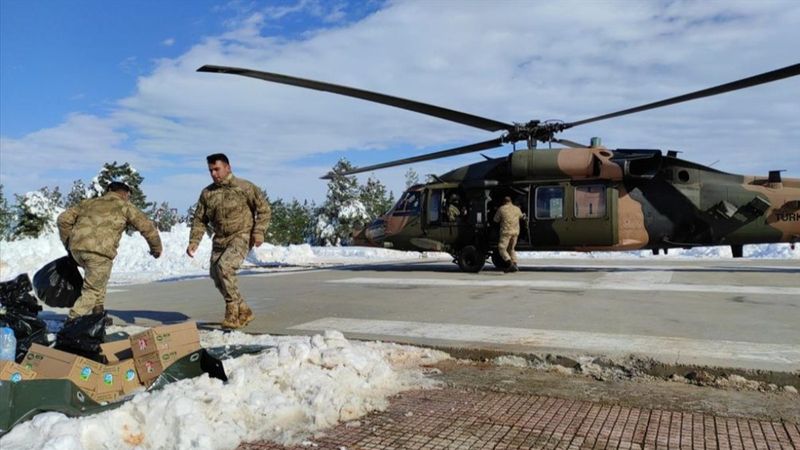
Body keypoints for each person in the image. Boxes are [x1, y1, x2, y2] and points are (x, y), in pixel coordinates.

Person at [186, 153, 271, 329]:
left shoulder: (245, 187)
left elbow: (264, 209)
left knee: (224, 267)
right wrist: (194, 241)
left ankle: (232, 312)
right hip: (220, 239)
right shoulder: (207, 193)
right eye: (211, 170)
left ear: (228, 167)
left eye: (217, 169)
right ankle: (244, 309)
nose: (214, 174)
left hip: (241, 235)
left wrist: (259, 231)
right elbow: (199, 219)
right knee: (215, 274)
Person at [57, 182, 162, 319]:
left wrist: (69, 244)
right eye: (128, 196)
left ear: (109, 190)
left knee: (99, 279)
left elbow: (63, 220)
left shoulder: (89, 203)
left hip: (77, 250)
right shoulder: (125, 206)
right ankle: (71, 321)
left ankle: (98, 315)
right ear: (125, 194)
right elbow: (147, 227)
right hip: (99, 253)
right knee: (92, 290)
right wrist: (156, 249)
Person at [493, 196, 524, 273]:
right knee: (511, 249)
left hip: (506, 232)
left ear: (504, 202)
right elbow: (521, 216)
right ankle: (515, 264)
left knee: (502, 248)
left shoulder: (501, 209)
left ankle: (510, 264)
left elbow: (495, 220)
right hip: (515, 232)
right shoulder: (517, 209)